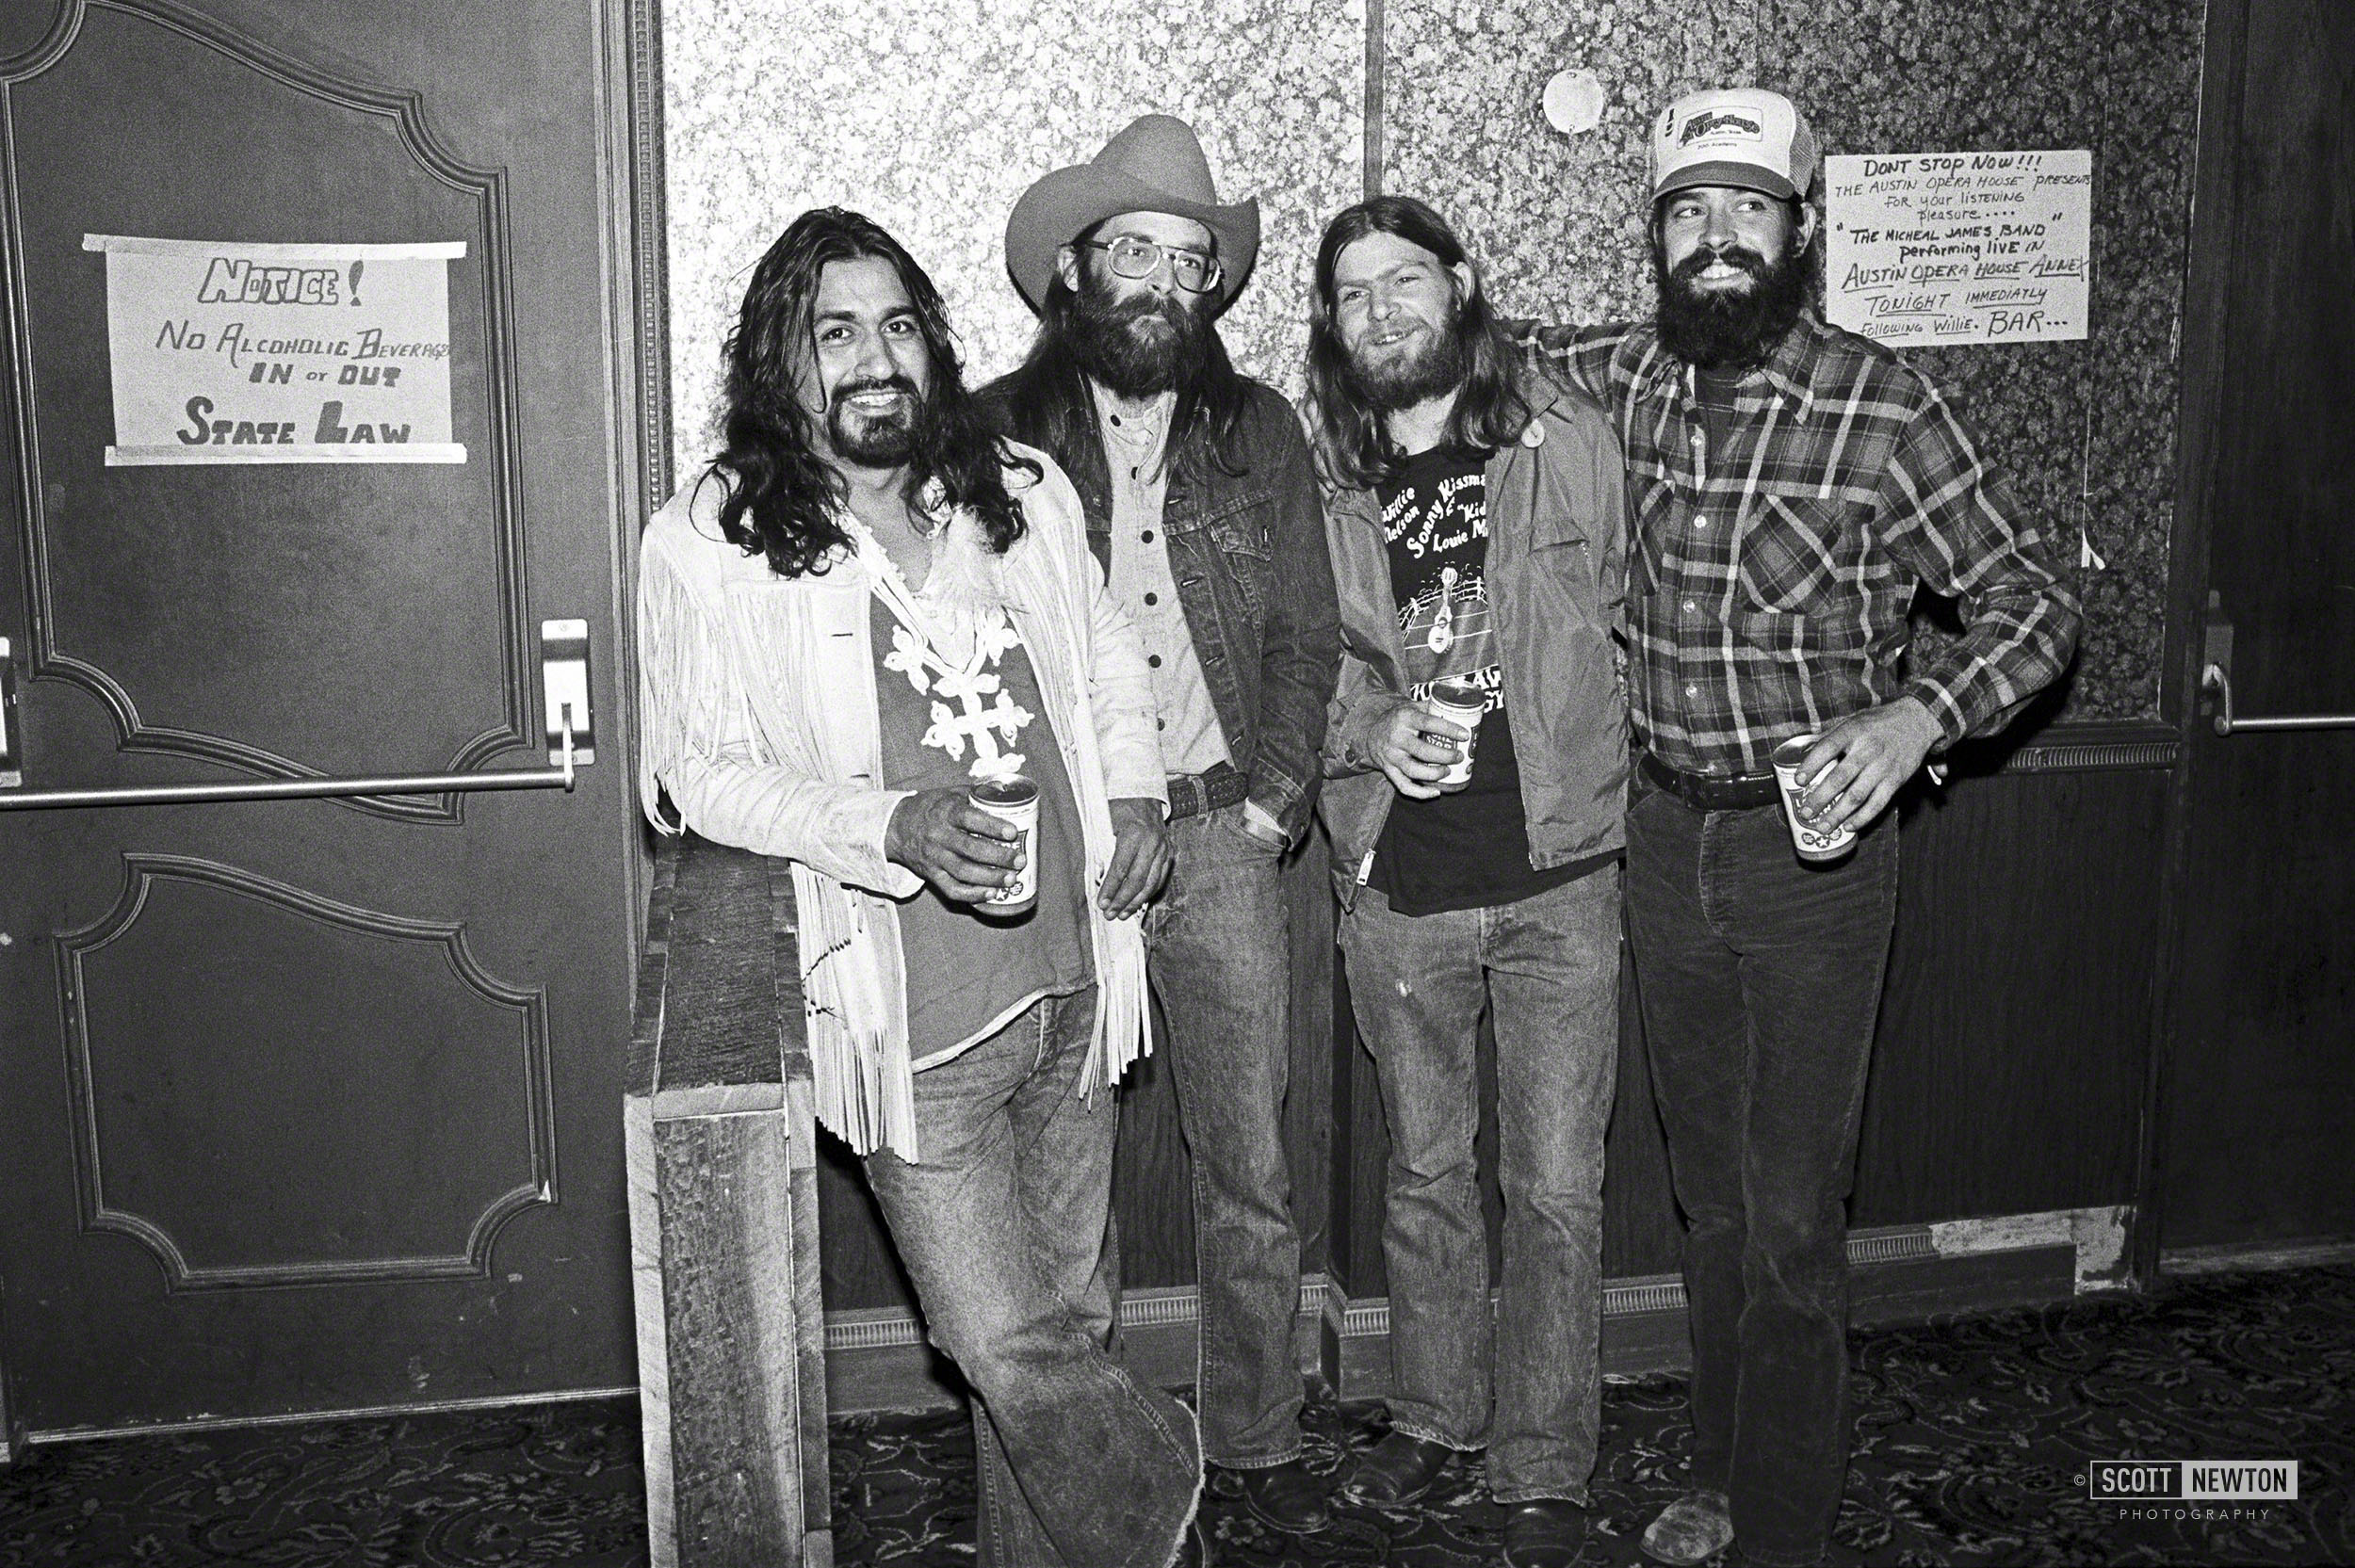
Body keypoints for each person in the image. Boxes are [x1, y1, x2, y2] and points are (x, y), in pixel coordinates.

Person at [1514, 89, 2081, 1568]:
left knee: (1791, 1215)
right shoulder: (1615, 381)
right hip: (1657, 835)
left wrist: (1915, 720)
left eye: (1747, 210)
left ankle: (1784, 1520)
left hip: (1811, 860)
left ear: (1801, 232)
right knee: (1708, 1201)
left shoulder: (1883, 406)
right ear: (1656, 239)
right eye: (1688, 212)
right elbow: (1464, 355)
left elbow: (2037, 603)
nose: (1716, 240)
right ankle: (1715, 1466)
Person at [636, 207, 1205, 1568]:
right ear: (782, 360)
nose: (876, 358)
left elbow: (1110, 649)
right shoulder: (713, 537)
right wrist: (889, 821)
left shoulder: (1016, 486)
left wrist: (1133, 787)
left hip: (1075, 980)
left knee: (1067, 1330)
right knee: (1003, 1342)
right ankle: (1172, 1505)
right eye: (835, 332)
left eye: (898, 325)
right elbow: (691, 777)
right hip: (910, 1026)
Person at [983, 115, 1343, 1536]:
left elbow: (1311, 636)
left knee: (1248, 1157)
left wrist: (1272, 804)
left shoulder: (1259, 431)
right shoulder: (1001, 438)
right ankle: (1087, 1452)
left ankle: (1252, 1437)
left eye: (1188, 261)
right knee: (1059, 1175)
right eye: (1134, 251)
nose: (1159, 282)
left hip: (1217, 836)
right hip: (1063, 853)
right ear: (1075, 268)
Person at [1306, 195, 1629, 1568]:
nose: (1384, 311)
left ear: (1463, 282)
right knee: (1426, 1174)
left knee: (1555, 1185)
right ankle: (1435, 1410)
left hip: (1562, 876)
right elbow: (1286, 668)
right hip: (1399, 883)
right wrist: (1366, 730)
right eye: (1355, 293)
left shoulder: (1568, 444)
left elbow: (1631, 601)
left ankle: (1546, 1449)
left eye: (1406, 281)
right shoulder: (1320, 487)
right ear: (1332, 325)